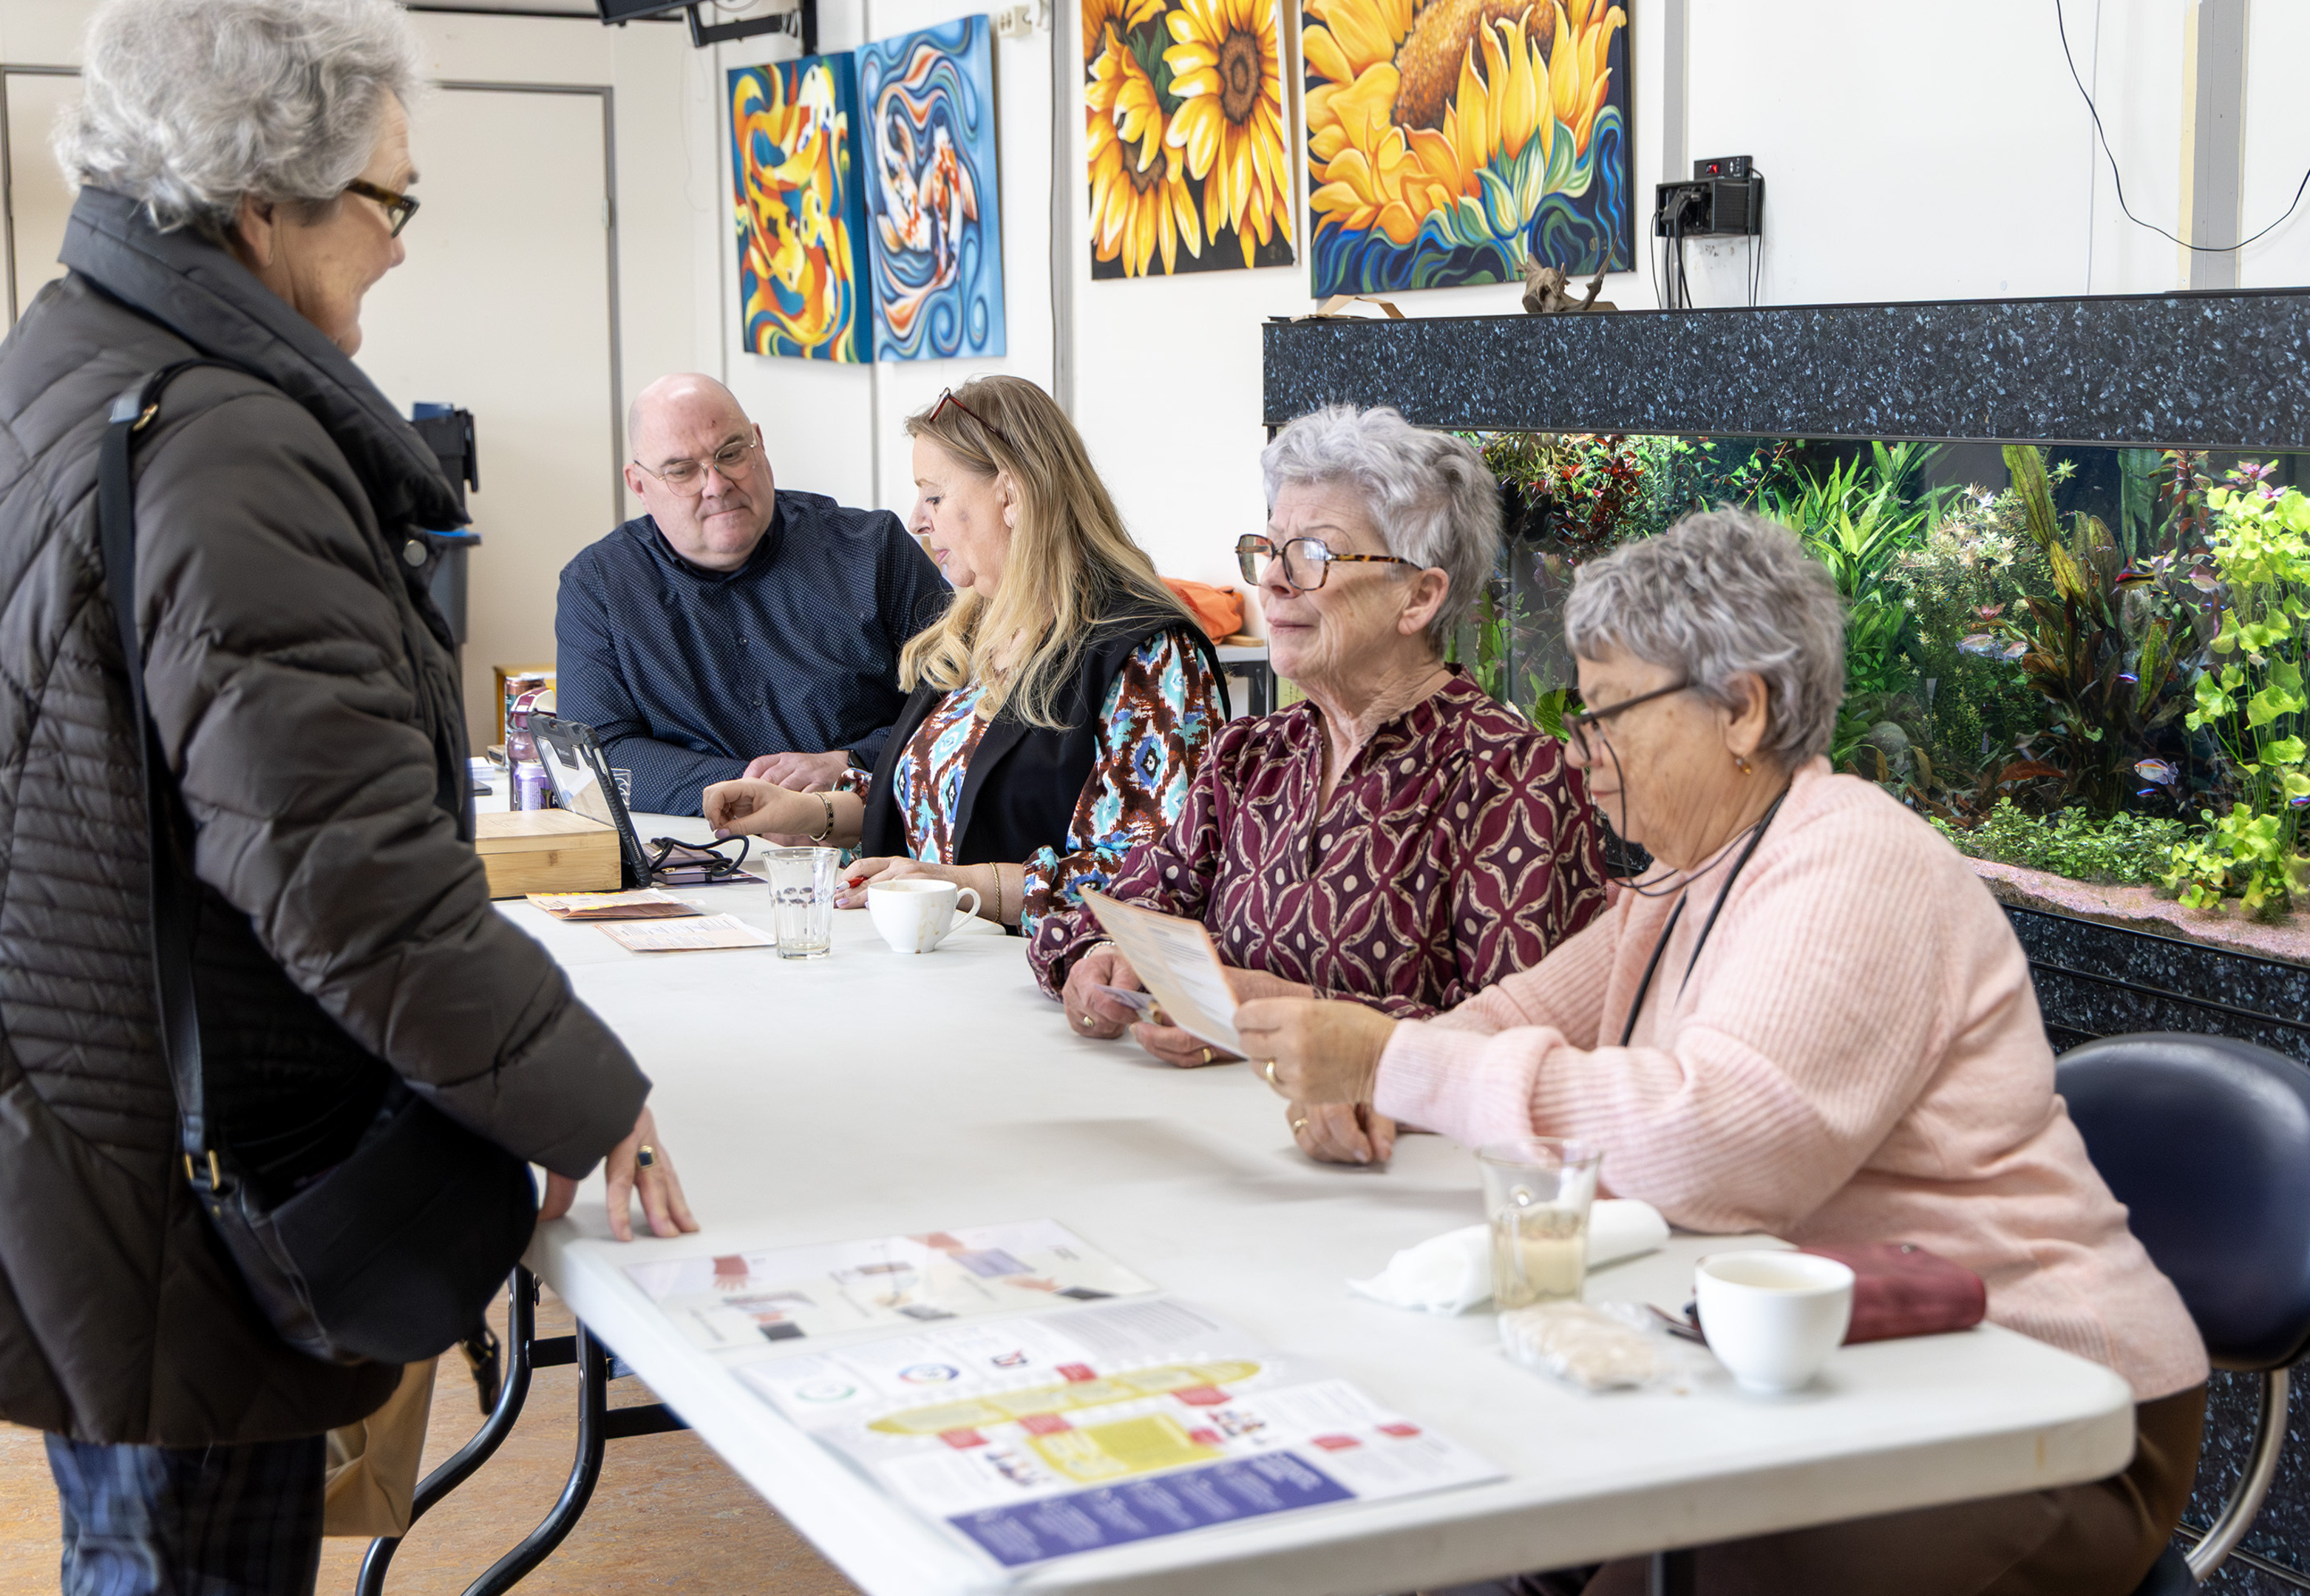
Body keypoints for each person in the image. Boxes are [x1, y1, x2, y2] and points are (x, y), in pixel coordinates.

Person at [0, 2, 699, 1590]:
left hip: (56, 1110)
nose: (400, 241)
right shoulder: (227, 442)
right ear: (267, 203)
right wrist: (580, 1090)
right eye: (388, 197)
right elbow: (350, 880)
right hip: (165, 1169)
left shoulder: (61, 366)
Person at [1237, 509, 2209, 1596]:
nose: (1578, 753)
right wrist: (1391, 1076)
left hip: (2042, 1405)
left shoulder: (1853, 859)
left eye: (1608, 713)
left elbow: (1712, 1143)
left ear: (1742, 708)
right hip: (1831, 1354)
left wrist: (1395, 1065)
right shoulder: (1687, 873)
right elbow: (1520, 1011)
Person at [1037, 406, 1607, 1166]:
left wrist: (1273, 1003)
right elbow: (1113, 910)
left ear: (1419, 597)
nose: (1271, 578)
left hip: (1404, 1180)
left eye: (1312, 553)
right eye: (1269, 548)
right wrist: (1103, 959)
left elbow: (1515, 1041)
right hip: (1210, 1153)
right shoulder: (1249, 757)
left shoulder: (1512, 777)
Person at [703, 376, 1226, 937]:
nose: (916, 520)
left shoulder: (1150, 655)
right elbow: (935, 801)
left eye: (934, 495)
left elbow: (1161, 873)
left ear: (1011, 493)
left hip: (1050, 986)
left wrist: (958, 886)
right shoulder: (976, 632)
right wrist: (808, 812)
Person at [555, 372, 952, 815]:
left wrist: (852, 762)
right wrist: (751, 793)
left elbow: (963, 701)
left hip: (869, 834)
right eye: (682, 471)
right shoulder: (599, 587)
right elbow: (599, 753)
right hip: (696, 854)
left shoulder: (874, 551)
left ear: (759, 445)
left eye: (730, 454)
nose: (716, 484)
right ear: (639, 485)